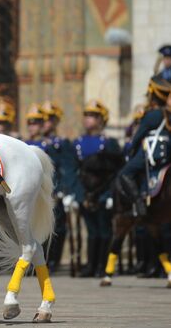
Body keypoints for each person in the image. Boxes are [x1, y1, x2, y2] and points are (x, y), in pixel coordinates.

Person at [117, 76, 171, 218]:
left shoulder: (152, 115)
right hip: (167, 150)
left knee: (125, 173)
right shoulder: (169, 113)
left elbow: (138, 136)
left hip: (151, 151)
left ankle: (138, 202)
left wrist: (129, 149)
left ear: (152, 95)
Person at [72, 100, 121, 277]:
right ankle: (91, 265)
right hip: (85, 193)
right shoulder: (77, 143)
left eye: (93, 116)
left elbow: (115, 172)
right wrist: (77, 195)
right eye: (86, 115)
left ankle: (103, 265)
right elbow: (74, 171)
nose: (88, 119)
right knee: (92, 231)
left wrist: (110, 195)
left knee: (105, 230)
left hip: (103, 193)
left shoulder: (109, 143)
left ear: (102, 120)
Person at [40, 101, 78, 272]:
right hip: (40, 191)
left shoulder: (62, 143)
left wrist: (65, 190)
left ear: (55, 121)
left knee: (57, 228)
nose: (44, 123)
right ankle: (41, 261)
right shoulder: (37, 143)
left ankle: (53, 260)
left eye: (47, 120)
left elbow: (68, 168)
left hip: (56, 192)